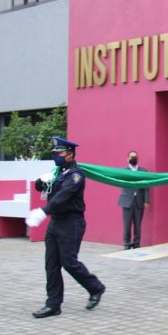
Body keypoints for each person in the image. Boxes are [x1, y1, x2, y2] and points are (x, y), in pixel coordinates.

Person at [26, 136, 106, 318]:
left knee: (69, 262)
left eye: (59, 153)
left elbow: (64, 195)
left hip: (72, 222)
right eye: (55, 153)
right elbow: (42, 188)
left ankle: (95, 287)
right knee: (51, 264)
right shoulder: (58, 172)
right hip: (56, 222)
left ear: (70, 155)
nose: (56, 156)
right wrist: (41, 180)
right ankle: (53, 304)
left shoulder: (75, 175)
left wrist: (43, 211)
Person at [117, 150, 150, 249]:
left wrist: (146, 200)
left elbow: (146, 187)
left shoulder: (144, 171)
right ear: (127, 158)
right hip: (127, 201)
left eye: (135, 156)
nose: (133, 158)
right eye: (131, 157)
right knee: (127, 225)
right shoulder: (123, 171)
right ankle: (127, 244)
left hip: (139, 201)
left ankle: (136, 243)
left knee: (138, 225)